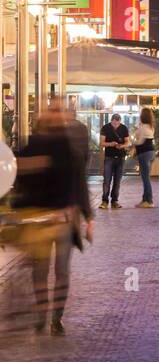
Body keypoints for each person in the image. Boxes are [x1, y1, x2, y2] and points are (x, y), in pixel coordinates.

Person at [12, 103, 93, 335]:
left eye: (59, 111)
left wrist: (88, 217)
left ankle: (55, 316)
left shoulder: (68, 147)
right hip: (42, 219)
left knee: (59, 270)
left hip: (61, 220)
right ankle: (43, 314)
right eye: (54, 111)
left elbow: (78, 182)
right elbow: (21, 175)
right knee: (42, 270)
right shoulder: (35, 144)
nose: (57, 115)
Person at [98, 112, 130, 209]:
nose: (116, 125)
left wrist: (122, 146)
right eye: (114, 123)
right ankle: (104, 201)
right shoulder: (105, 128)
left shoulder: (124, 128)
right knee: (107, 180)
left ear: (120, 122)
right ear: (111, 121)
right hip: (109, 157)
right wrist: (111, 144)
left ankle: (114, 201)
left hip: (120, 157)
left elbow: (127, 142)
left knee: (117, 180)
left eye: (118, 124)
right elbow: (102, 143)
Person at [133, 106, 157, 208]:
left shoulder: (143, 128)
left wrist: (132, 143)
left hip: (144, 154)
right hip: (151, 153)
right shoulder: (151, 127)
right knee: (146, 177)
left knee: (145, 178)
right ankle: (145, 199)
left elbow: (139, 142)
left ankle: (149, 201)